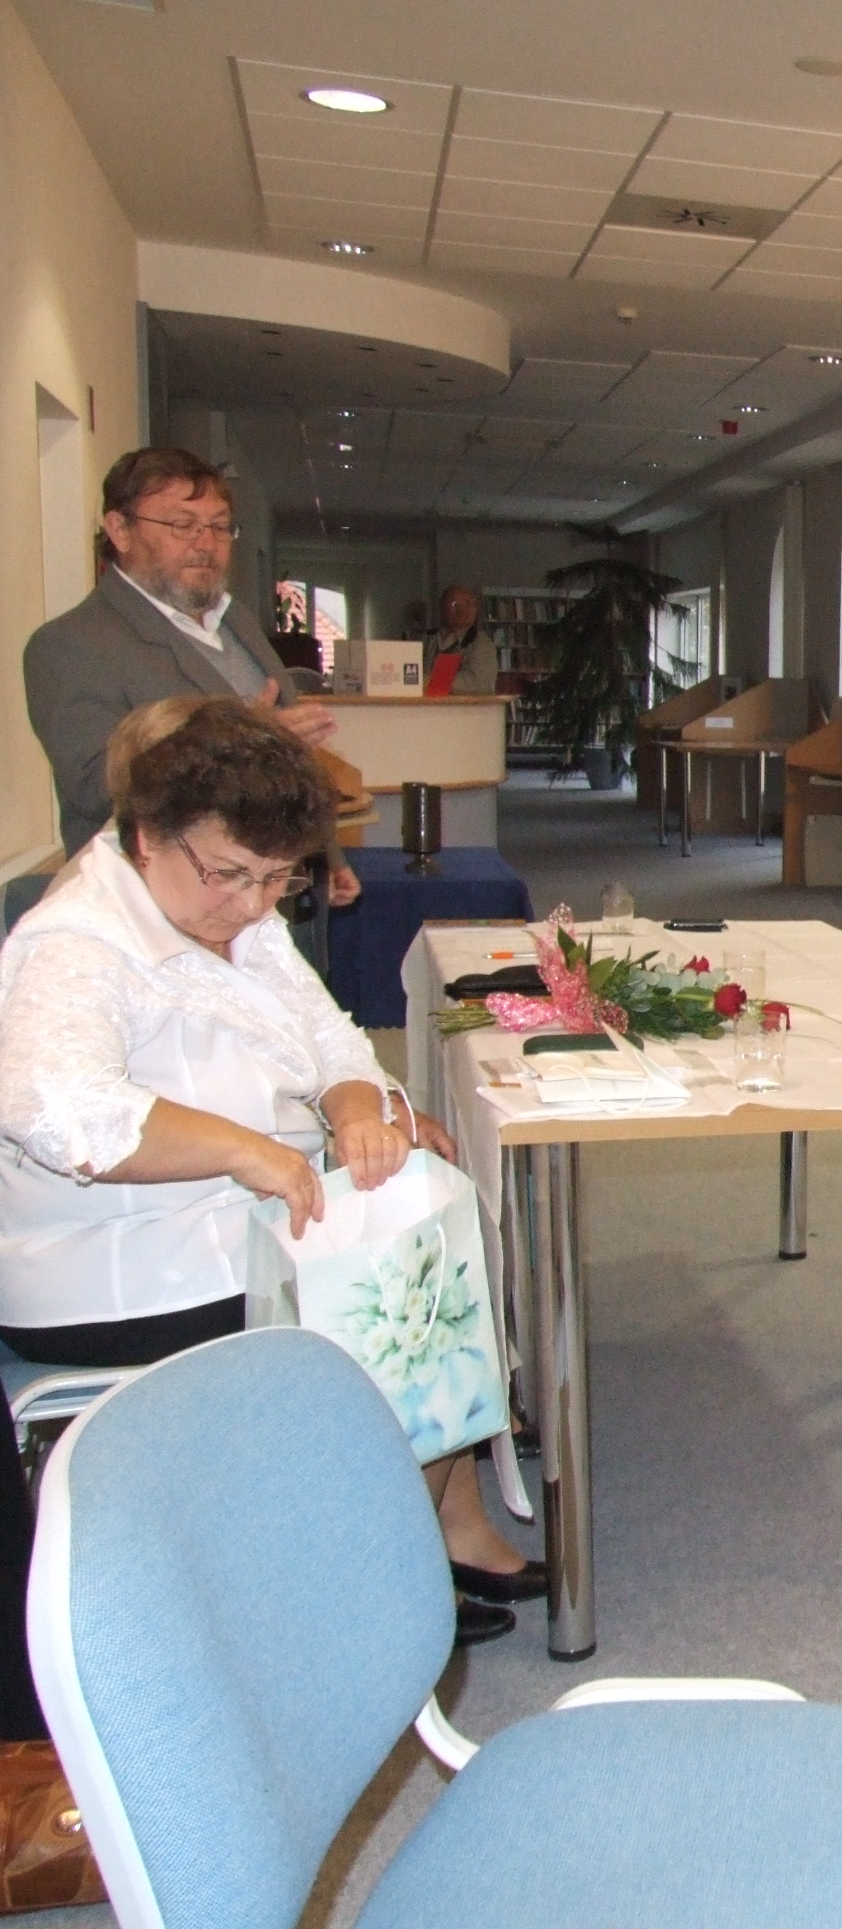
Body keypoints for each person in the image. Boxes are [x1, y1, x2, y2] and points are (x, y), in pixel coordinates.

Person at [0, 699, 541, 1649]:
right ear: (145, 836)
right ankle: (372, 1587)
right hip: (122, 1266)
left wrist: (356, 1108)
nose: (254, 905)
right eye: (231, 876)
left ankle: (435, 1529)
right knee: (400, 1300)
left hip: (226, 1221)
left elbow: (330, 1038)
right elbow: (63, 1113)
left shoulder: (226, 911)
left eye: (276, 879)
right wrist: (248, 1150)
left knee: (435, 1233)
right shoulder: (75, 943)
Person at [22, 446, 359, 906]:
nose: (206, 543)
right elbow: (94, 789)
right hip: (163, 913)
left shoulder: (234, 620)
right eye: (183, 525)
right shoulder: (70, 644)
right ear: (120, 530)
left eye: (220, 526)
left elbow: (289, 756)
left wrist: (326, 856)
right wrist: (241, 739)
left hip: (278, 892)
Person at [425, 582, 499, 697]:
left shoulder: (481, 644)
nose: (462, 610)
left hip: (463, 707)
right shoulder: (428, 640)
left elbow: (478, 683)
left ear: (475, 609)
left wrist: (427, 680)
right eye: (454, 604)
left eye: (468, 604)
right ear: (442, 607)